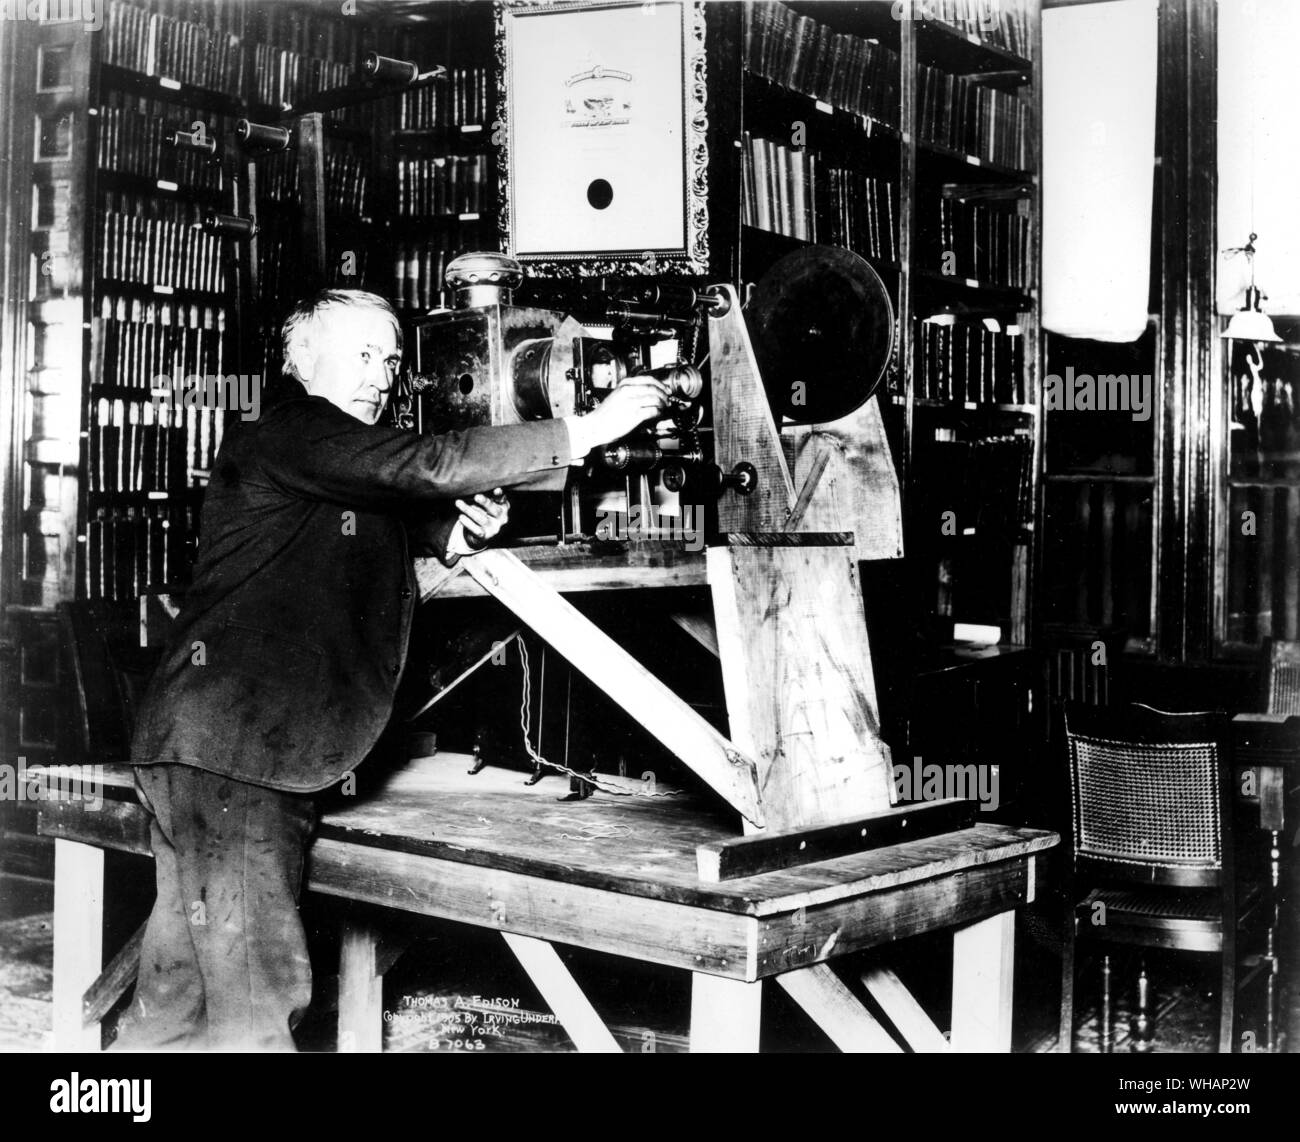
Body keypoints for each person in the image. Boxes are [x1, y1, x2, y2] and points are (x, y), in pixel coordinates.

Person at [114, 288, 667, 1050]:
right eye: (362, 354)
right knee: (257, 1003)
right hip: (237, 754)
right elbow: (425, 464)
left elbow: (390, 509)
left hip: (201, 747)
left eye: (391, 359)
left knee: (179, 991)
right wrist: (590, 429)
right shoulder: (296, 428)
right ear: (301, 359)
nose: (381, 375)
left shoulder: (329, 461)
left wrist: (462, 530)